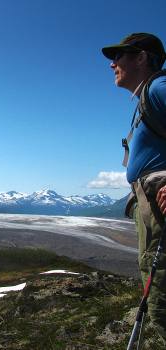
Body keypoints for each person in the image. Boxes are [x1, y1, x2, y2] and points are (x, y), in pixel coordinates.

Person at [102, 33, 166, 344]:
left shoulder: (158, 89)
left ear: (141, 58)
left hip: (160, 209)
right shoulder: (145, 98)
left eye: (119, 55)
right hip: (149, 207)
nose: (112, 63)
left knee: (163, 300)